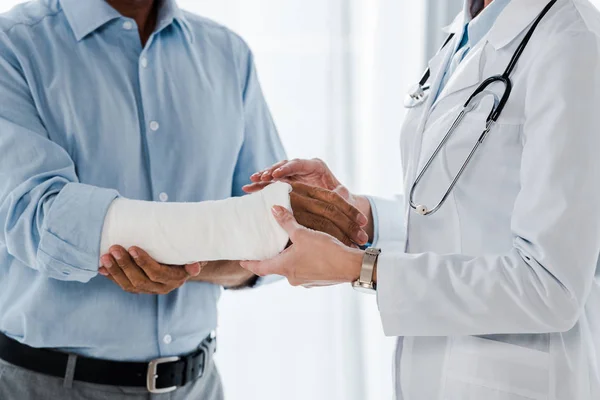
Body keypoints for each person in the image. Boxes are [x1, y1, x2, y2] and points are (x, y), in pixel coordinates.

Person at [0, 0, 367, 399]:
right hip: (47, 386)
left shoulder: (228, 54)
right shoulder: (13, 46)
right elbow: (36, 217)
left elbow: (272, 241)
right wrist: (242, 228)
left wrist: (195, 264)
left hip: (198, 386)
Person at [243, 0, 600, 398]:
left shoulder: (572, 39)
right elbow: (463, 218)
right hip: (433, 371)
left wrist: (362, 268)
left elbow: (551, 287)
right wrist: (362, 217)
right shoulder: (467, 33)